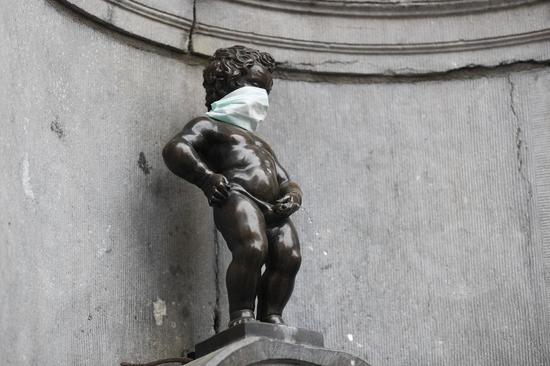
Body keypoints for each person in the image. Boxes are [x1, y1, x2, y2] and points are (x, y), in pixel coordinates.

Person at [163, 45, 303, 328]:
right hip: (237, 195)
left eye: (265, 91)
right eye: (254, 86)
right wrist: (205, 177)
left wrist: (293, 195)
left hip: (274, 209)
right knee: (252, 247)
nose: (260, 98)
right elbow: (176, 148)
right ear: (228, 83)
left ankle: (272, 314)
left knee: (289, 256)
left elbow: (285, 179)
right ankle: (241, 314)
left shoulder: (261, 143)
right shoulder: (210, 126)